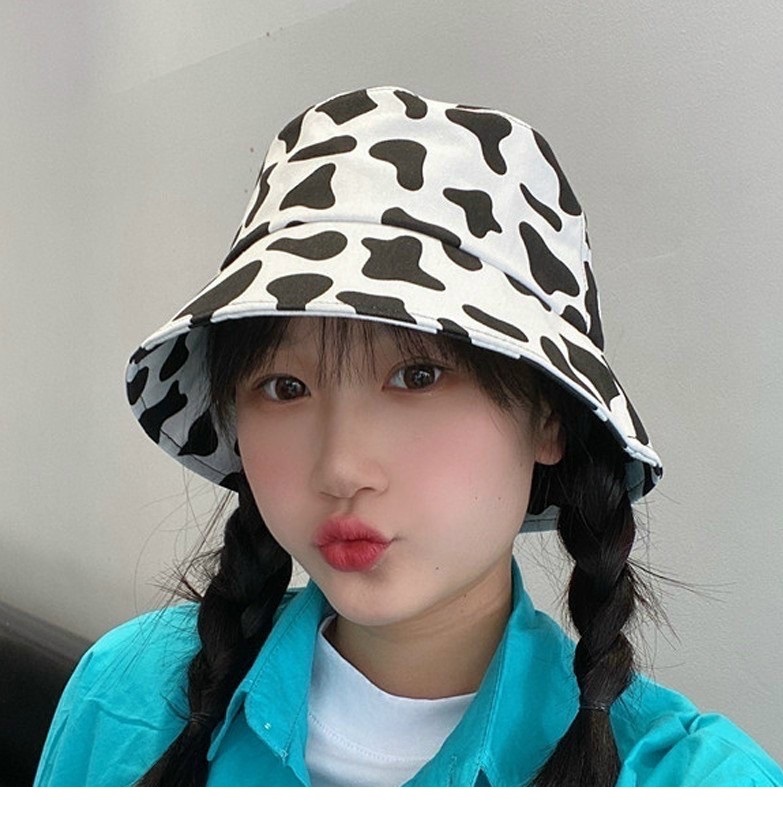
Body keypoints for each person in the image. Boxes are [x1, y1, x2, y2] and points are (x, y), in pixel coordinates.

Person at [35, 86, 783, 787]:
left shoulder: (699, 788)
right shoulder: (128, 692)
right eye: (284, 387)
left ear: (550, 417)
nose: (340, 469)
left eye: (417, 376)